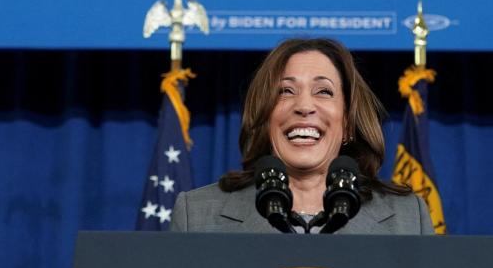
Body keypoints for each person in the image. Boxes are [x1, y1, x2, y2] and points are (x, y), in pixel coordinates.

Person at [170, 38, 433, 234]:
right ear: (265, 118)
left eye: (323, 91)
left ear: (349, 123)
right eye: (285, 91)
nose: (304, 106)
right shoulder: (197, 216)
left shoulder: (406, 219)